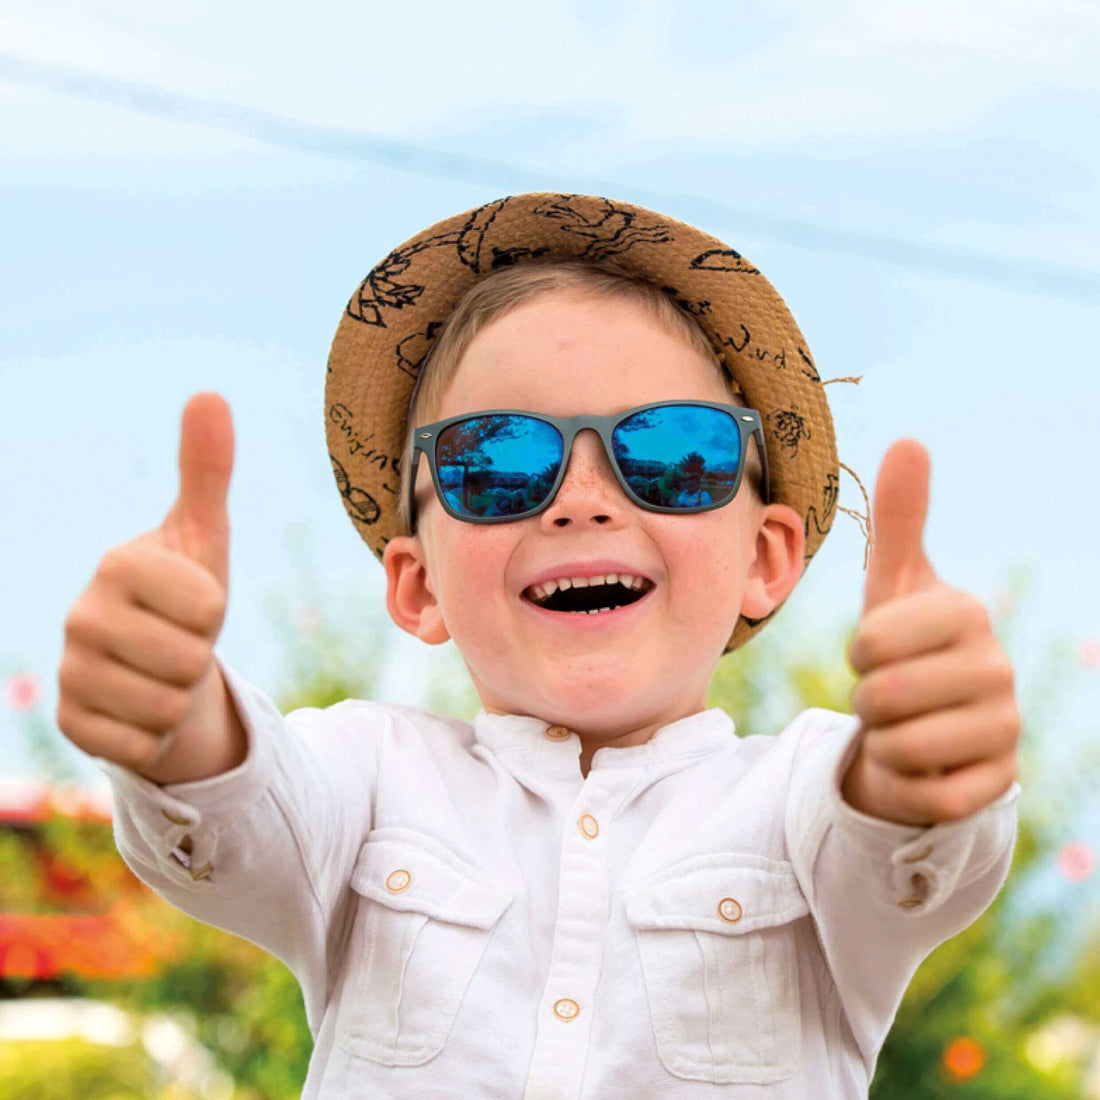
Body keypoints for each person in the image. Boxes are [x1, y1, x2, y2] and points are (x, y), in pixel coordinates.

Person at [56, 193, 1021, 1098]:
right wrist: (176, 711)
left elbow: (894, 852)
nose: (583, 499)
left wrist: (924, 756)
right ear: (419, 583)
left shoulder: (803, 795)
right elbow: (240, 822)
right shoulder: (369, 778)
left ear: (765, 557)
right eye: (498, 461)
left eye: (670, 454)